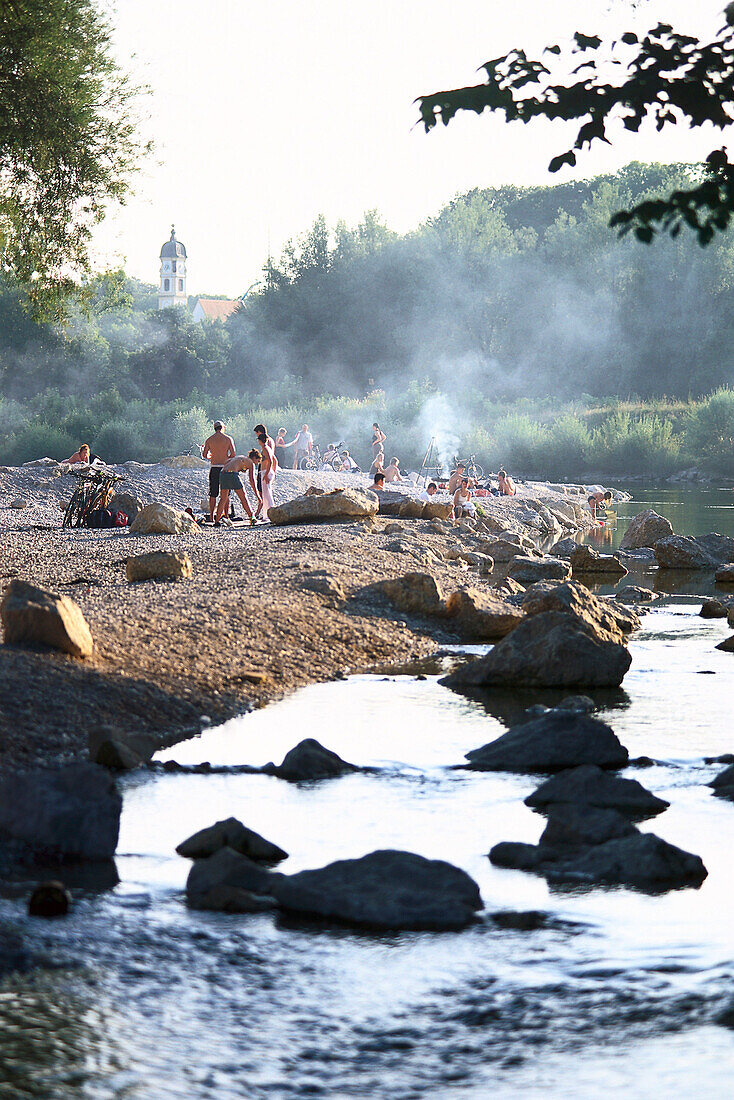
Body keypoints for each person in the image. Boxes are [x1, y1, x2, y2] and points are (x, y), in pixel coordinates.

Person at [202, 420, 236, 523]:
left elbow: (204, 455)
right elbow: (233, 454)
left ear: (214, 428)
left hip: (214, 467)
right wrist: (226, 457)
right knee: (226, 493)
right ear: (222, 428)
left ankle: (212, 516)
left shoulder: (209, 439)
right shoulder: (228, 439)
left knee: (213, 493)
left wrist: (211, 456)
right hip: (225, 467)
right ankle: (226, 516)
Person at [215, 450, 261, 523]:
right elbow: (252, 480)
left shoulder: (240, 457)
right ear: (254, 458)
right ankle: (252, 517)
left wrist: (239, 468)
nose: (257, 464)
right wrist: (258, 495)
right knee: (243, 498)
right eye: (258, 461)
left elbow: (227, 462)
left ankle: (216, 521)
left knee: (223, 499)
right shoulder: (251, 462)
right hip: (232, 474)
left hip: (223, 473)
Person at [257, 430, 278, 520]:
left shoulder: (266, 449)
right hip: (265, 471)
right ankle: (266, 514)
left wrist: (267, 473)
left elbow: (270, 460)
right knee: (266, 494)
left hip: (266, 471)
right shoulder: (265, 448)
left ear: (261, 440)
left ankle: (270, 513)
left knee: (267, 494)